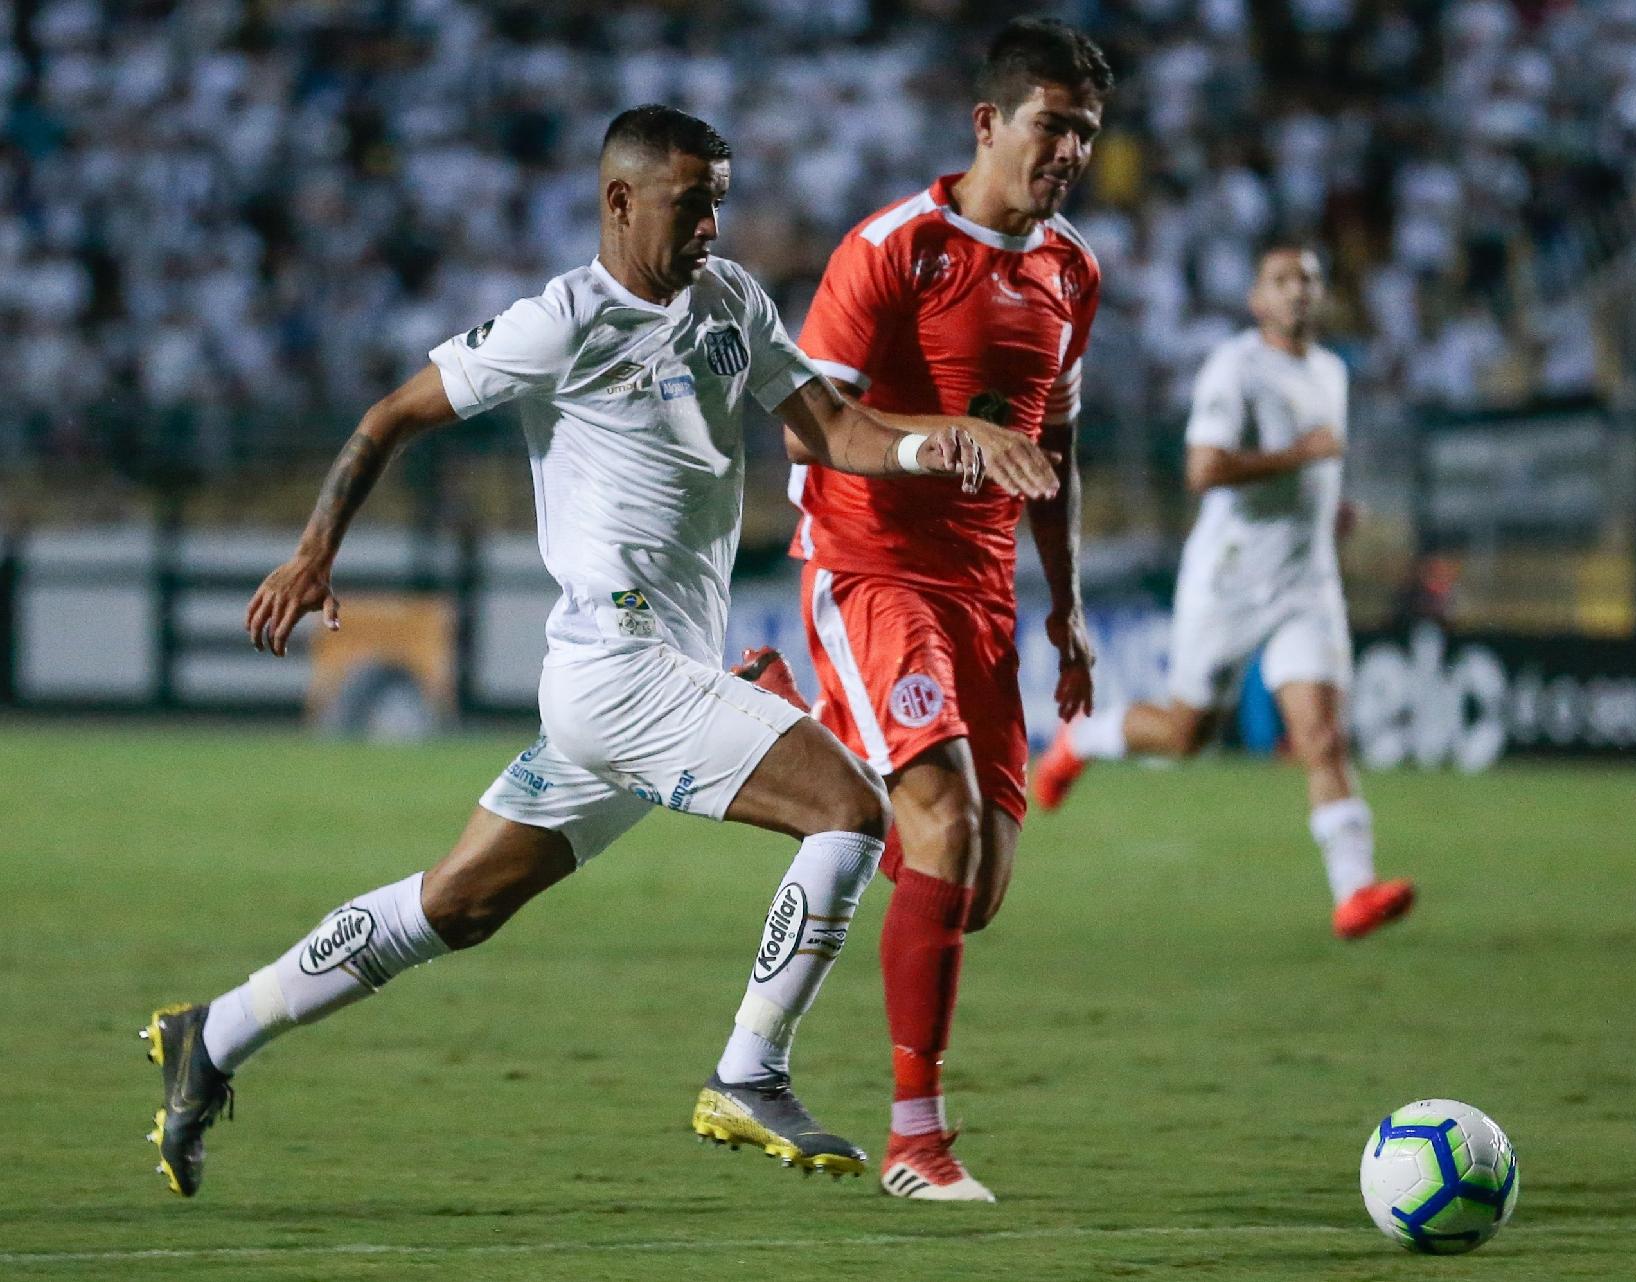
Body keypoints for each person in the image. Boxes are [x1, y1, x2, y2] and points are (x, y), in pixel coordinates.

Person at [140, 104, 1060, 1199]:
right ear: (621, 201)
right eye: (692, 201)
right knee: (852, 808)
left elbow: (832, 430)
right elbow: (390, 415)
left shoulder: (730, 300)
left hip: (648, 677)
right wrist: (312, 554)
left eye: (721, 197)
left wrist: (938, 439)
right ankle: (748, 1070)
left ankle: (216, 1030)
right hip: (614, 675)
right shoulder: (560, 322)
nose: (715, 221)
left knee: (456, 904)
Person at [782, 17, 1109, 1201]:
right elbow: (808, 422)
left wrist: (1065, 607)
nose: (1069, 148)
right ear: (989, 122)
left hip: (985, 594)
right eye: (1051, 124)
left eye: (1085, 130)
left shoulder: (1072, 271)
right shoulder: (893, 247)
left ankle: (798, 729)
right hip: (869, 567)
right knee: (944, 824)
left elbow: (1055, 446)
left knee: (970, 891)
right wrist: (953, 438)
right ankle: (915, 1143)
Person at [1032, 241, 1416, 942]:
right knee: (1186, 734)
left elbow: (1316, 467)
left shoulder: (1332, 370)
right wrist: (1300, 457)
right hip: (1231, 579)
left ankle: (1355, 892)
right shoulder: (1234, 369)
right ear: (1256, 299)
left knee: (1323, 736)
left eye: (1309, 278)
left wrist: (1330, 507)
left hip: (1306, 580)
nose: (1298, 290)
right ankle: (1083, 737)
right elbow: (1203, 469)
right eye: (1282, 280)